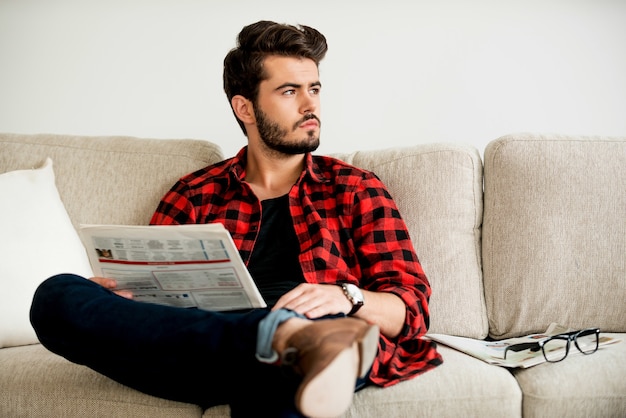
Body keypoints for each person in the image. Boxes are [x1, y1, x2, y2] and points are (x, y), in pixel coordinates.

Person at [30, 20, 442, 417]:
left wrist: (347, 297)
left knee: (295, 364)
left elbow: (412, 309)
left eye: (314, 88)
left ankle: (290, 341)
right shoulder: (194, 193)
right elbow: (155, 298)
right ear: (244, 107)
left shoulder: (354, 188)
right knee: (56, 295)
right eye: (289, 91)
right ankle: (280, 337)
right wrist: (118, 296)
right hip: (200, 348)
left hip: (315, 340)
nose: (310, 104)